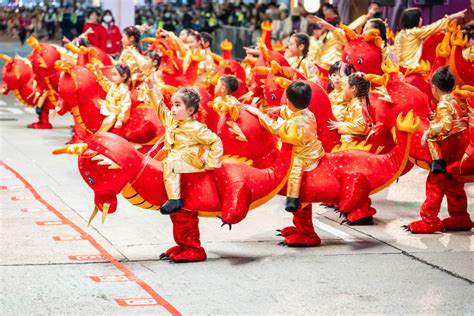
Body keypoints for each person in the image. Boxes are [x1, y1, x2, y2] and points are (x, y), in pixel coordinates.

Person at [244, 81, 324, 213]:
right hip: (309, 144)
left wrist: (258, 114)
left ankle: (292, 198)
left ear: (290, 102)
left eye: (287, 99)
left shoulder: (296, 122)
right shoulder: (305, 112)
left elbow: (274, 128)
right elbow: (290, 112)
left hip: (303, 153)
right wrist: (280, 109)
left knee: (295, 170)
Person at [146, 81, 223, 215]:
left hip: (192, 159)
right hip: (173, 155)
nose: (173, 109)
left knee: (170, 163)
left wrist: (211, 162)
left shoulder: (196, 128)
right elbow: (160, 108)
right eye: (172, 105)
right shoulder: (171, 120)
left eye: (177, 105)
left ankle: (175, 200)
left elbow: (216, 141)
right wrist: (152, 89)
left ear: (190, 110)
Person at [421, 66, 467, 173]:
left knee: (431, 138)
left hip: (451, 141)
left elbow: (445, 125)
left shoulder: (443, 104)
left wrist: (428, 132)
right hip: (459, 134)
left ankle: (438, 162)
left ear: (434, 88)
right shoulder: (454, 99)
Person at [395, 8, 466, 71]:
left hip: (400, 68)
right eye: (419, 18)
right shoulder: (415, 32)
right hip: (411, 68)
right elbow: (435, 26)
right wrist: (456, 15)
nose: (421, 19)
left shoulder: (400, 34)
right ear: (414, 20)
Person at [328, 72, 372, 144]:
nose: (344, 88)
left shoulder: (358, 105)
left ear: (353, 88)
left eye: (346, 85)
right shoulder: (353, 102)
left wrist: (341, 125)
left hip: (352, 142)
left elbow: (362, 127)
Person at [88, 63, 132, 133]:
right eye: (112, 74)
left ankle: (99, 133)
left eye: (114, 75)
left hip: (114, 112)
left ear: (124, 76)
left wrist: (120, 120)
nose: (112, 77)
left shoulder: (124, 91)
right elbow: (105, 82)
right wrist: (98, 72)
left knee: (110, 119)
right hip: (107, 108)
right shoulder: (113, 85)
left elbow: (125, 106)